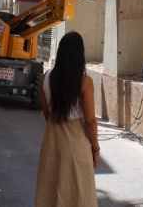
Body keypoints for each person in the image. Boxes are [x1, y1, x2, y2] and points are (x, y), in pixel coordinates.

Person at [35, 32, 99, 207]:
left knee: (50, 191)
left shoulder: (45, 78)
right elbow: (90, 121)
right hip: (76, 145)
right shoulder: (85, 82)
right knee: (78, 194)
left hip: (52, 143)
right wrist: (95, 149)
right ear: (80, 55)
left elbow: (47, 114)